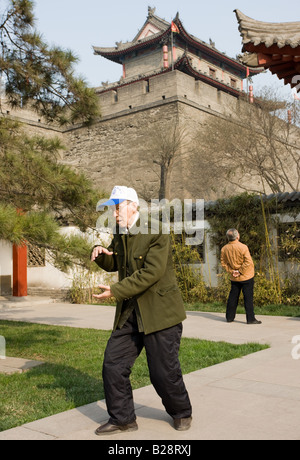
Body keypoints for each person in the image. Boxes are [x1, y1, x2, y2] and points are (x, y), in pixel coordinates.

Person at [91, 186, 192, 436]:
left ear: (133, 206)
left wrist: (116, 290)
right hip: (130, 313)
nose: (114, 214)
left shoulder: (156, 229)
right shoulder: (121, 232)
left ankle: (181, 411)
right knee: (113, 364)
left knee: (163, 373)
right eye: (112, 209)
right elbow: (116, 260)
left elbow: (151, 273)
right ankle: (123, 419)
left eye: (117, 208)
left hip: (160, 313)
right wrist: (101, 254)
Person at [220, 228, 262, 325]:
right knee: (248, 298)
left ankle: (229, 317)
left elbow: (223, 263)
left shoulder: (224, 249)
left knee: (233, 297)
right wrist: (240, 271)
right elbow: (248, 262)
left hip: (234, 277)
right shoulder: (243, 247)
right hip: (246, 276)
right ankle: (250, 319)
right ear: (237, 236)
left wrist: (232, 271)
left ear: (228, 237)